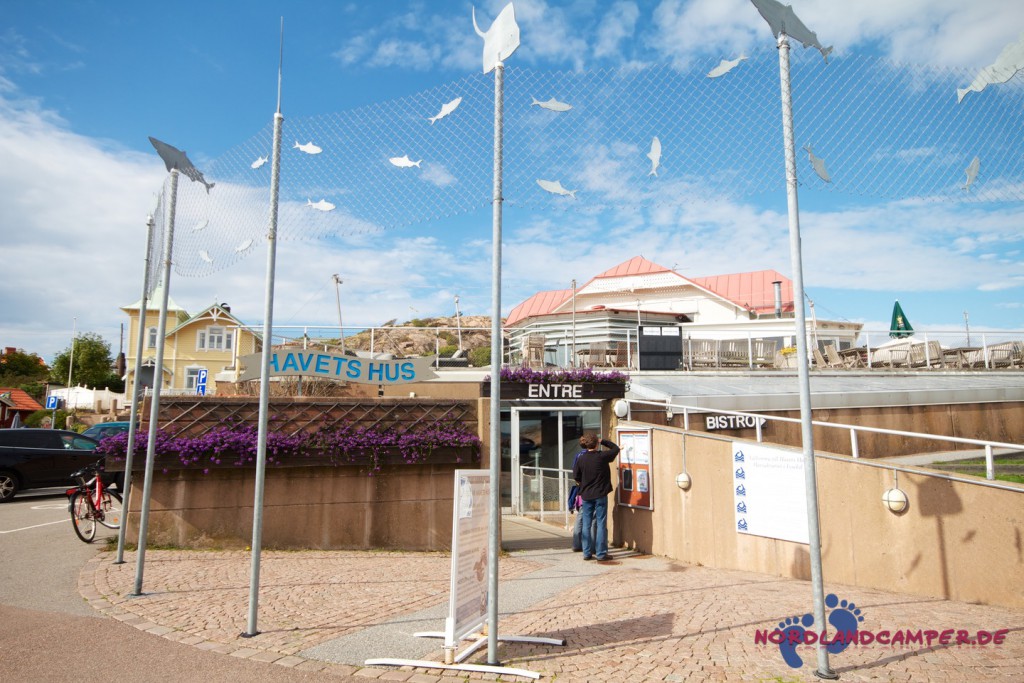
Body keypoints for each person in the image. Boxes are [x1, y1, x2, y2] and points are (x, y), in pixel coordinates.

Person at [571, 433, 620, 561]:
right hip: (600, 495)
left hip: (586, 495)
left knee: (586, 523)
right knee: (600, 523)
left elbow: (576, 476)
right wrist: (603, 440)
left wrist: (583, 483)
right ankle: (601, 553)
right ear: (596, 444)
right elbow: (616, 448)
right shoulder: (602, 456)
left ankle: (586, 553)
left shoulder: (581, 458)